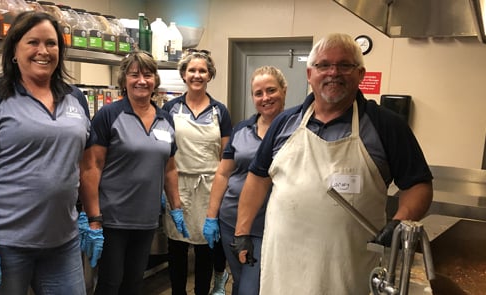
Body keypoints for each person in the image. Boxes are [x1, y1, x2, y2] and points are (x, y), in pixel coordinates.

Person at [233, 33, 434, 295]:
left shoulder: (385, 125)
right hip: (284, 263)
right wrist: (242, 231)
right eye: (324, 65)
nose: (333, 73)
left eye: (345, 65)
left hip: (348, 268)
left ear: (360, 74)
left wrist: (399, 222)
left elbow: (418, 185)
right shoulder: (285, 123)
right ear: (309, 74)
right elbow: (258, 179)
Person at [0, 11, 96, 295]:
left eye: (51, 43)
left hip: (63, 243)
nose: (43, 51)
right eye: (33, 42)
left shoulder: (76, 97)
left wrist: (92, 217)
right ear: (14, 50)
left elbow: (86, 165)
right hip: (5, 244)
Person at [89, 50, 188, 295]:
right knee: (111, 283)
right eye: (134, 75)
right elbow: (92, 167)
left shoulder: (165, 119)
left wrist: (176, 207)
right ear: (124, 80)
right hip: (113, 219)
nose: (141, 81)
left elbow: (169, 168)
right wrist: (93, 217)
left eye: (147, 74)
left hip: (145, 220)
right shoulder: (109, 116)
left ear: (155, 80)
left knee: (134, 283)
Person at [203, 66, 289, 295]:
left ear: (284, 90)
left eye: (271, 90)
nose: (265, 98)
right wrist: (212, 216)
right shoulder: (242, 129)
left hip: (267, 226)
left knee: (251, 288)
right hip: (230, 220)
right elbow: (223, 173)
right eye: (258, 93)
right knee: (240, 282)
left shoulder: (295, 129)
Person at [162, 50, 233, 295]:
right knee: (177, 249)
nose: (197, 75)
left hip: (209, 187)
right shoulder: (170, 109)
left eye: (202, 70)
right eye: (192, 70)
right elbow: (164, 152)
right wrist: (165, 192)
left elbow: (227, 155)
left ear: (210, 75)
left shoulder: (219, 111)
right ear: (183, 74)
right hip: (178, 185)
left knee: (206, 249)